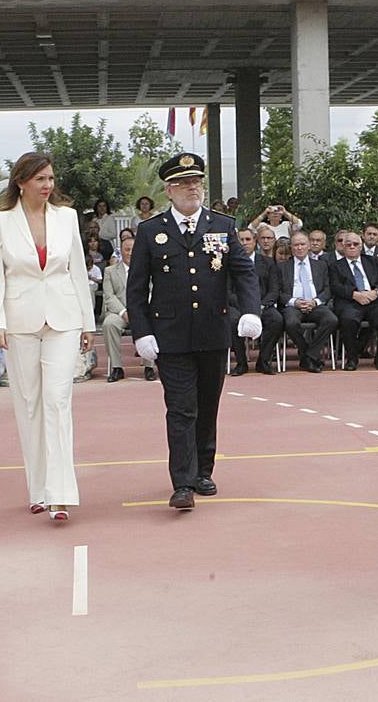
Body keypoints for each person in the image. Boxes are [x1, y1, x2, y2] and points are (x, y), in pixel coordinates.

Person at [126, 152, 260, 511]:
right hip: (169, 335)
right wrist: (142, 332)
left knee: (207, 405)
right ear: (169, 190)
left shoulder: (223, 226)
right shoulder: (151, 231)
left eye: (197, 182)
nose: (192, 189)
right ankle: (182, 482)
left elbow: (244, 273)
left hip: (213, 331)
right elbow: (137, 288)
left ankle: (204, 470)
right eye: (184, 184)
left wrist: (250, 311)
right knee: (181, 408)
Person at [0, 152, 94, 521]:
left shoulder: (67, 217)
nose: (48, 185)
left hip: (64, 318)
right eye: (40, 179)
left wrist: (87, 322)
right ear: (21, 182)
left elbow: (77, 269)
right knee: (29, 403)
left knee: (57, 400)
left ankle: (60, 494)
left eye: (50, 179)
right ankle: (38, 488)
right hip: (19, 319)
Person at [329, 232, 378, 370]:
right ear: (343, 246)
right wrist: (355, 295)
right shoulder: (335, 266)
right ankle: (352, 358)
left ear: (361, 246)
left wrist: (376, 292)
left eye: (356, 244)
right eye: (348, 244)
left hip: (374, 300)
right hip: (350, 302)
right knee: (348, 319)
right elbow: (335, 286)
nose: (352, 247)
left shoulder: (371, 261)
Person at [227, 227, 285, 376]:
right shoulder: (228, 263)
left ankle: (263, 361)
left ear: (255, 242)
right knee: (232, 321)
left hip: (262, 305)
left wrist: (261, 306)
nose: (244, 243)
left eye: (248, 239)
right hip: (238, 306)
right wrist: (246, 306)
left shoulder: (268, 262)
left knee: (276, 320)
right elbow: (227, 291)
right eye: (241, 240)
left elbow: (274, 290)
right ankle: (241, 363)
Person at [278, 230, 337, 372]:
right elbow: (278, 292)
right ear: (291, 247)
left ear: (309, 245)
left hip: (315, 304)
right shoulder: (282, 267)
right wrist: (295, 302)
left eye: (302, 244)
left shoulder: (320, 265)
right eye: (296, 245)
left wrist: (315, 302)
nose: (299, 248)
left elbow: (328, 289)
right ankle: (308, 354)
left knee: (331, 320)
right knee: (291, 323)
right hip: (293, 306)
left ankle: (308, 356)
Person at [102, 236, 153, 382]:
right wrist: (123, 312)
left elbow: (153, 291)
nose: (130, 253)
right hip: (119, 312)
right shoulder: (109, 271)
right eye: (127, 249)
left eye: (133, 249)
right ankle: (117, 368)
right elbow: (109, 296)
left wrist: (140, 311)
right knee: (109, 324)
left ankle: (149, 367)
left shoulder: (148, 269)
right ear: (121, 251)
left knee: (152, 320)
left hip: (143, 310)